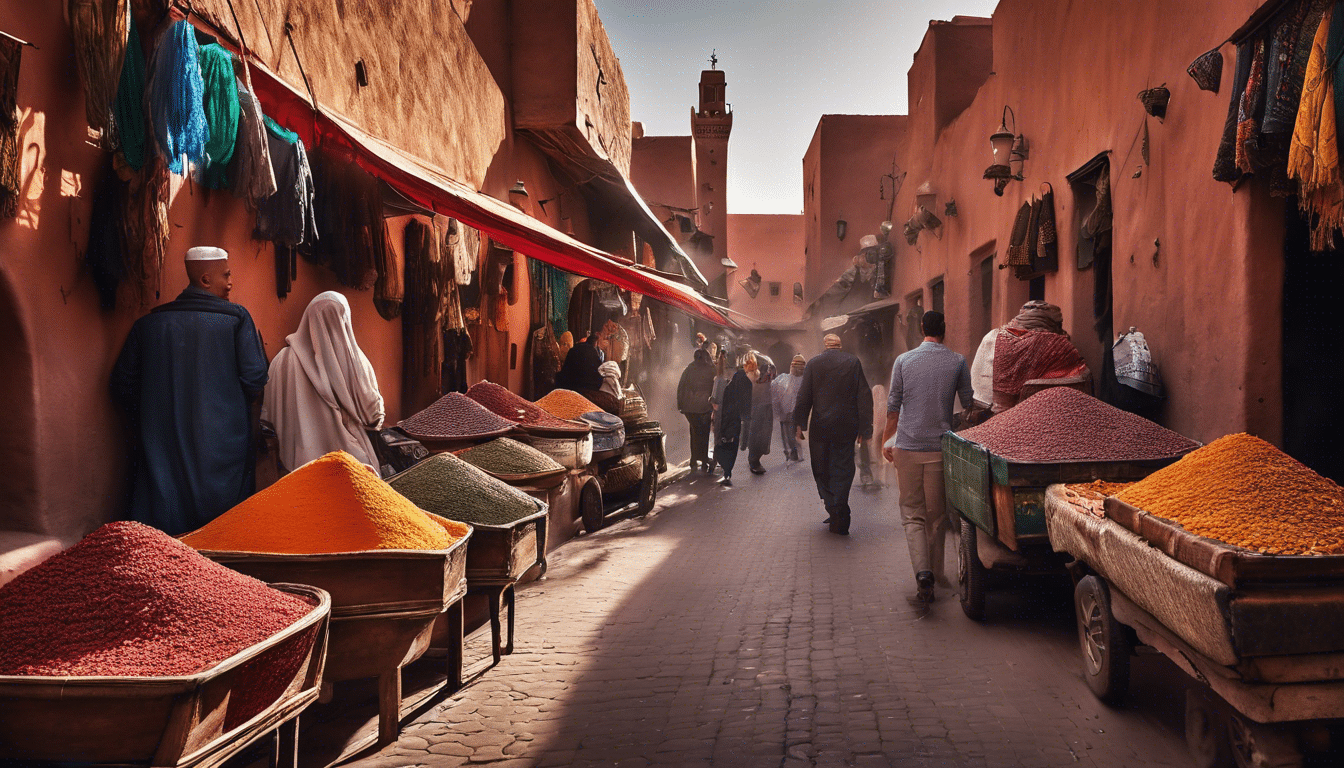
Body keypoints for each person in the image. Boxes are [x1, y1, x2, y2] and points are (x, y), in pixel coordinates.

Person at [110, 246, 269, 535]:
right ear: (206, 280)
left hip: (162, 443)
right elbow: (256, 377)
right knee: (223, 533)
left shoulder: (148, 325)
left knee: (167, 532)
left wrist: (153, 411)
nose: (231, 282)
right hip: (224, 443)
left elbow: (123, 383)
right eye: (227, 275)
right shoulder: (236, 320)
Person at [881, 311, 974, 604]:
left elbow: (893, 407)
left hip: (906, 448)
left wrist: (886, 440)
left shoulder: (904, 361)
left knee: (912, 513)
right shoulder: (958, 361)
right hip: (939, 449)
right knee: (936, 517)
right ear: (945, 330)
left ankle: (923, 574)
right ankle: (935, 572)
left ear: (922, 329)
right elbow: (969, 405)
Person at [263, 291, 384, 474]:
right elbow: (373, 416)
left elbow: (268, 418)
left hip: (297, 473)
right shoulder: (355, 363)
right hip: (352, 469)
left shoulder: (281, 361)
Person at [793, 334, 873, 535]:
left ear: (825, 346)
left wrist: (800, 424)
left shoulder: (813, 364)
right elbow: (864, 396)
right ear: (840, 346)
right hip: (847, 426)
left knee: (821, 467)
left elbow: (804, 396)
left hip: (821, 426)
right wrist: (865, 428)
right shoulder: (853, 362)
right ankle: (839, 506)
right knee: (843, 467)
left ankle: (834, 507)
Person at [677, 348, 717, 472]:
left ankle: (694, 459)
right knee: (703, 433)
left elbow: (681, 387)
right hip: (704, 408)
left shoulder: (688, 369)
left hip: (689, 409)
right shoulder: (711, 370)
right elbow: (715, 388)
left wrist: (681, 406)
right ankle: (703, 459)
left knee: (694, 432)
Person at [716, 352, 753, 486]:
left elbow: (724, 404)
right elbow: (748, 402)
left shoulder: (730, 385)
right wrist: (746, 416)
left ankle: (726, 468)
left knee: (726, 443)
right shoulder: (747, 383)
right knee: (733, 445)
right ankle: (728, 469)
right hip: (738, 420)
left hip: (728, 418)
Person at [745, 353, 775, 475]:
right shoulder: (765, 364)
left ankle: (754, 458)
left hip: (763, 403)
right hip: (760, 403)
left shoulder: (765, 365)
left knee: (761, 432)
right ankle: (754, 460)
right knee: (758, 432)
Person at [772, 354, 806, 462]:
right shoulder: (805, 380)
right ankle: (794, 451)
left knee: (786, 432)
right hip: (797, 411)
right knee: (793, 431)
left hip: (786, 411)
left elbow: (774, 392)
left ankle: (791, 452)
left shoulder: (783, 379)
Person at [708, 348, 733, 473]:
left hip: (720, 412)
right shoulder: (730, 377)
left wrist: (713, 405)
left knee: (718, 436)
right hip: (728, 412)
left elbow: (713, 398)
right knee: (726, 437)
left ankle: (715, 461)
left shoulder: (718, 379)